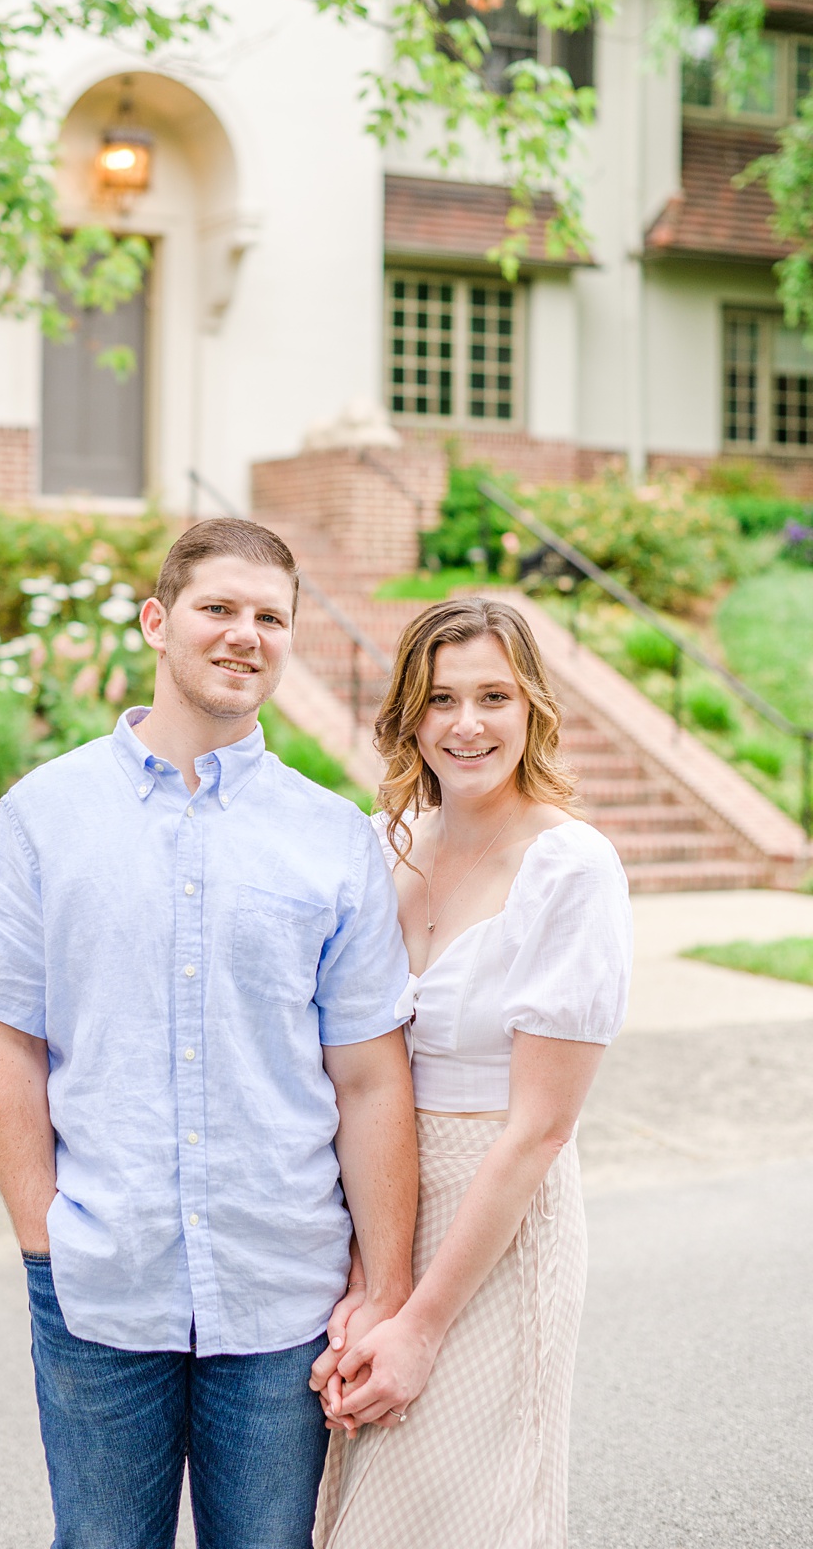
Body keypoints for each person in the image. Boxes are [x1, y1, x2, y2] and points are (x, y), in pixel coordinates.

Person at [0, 516, 419, 1549]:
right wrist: (43, 1238)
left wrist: (386, 1285)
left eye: (270, 617)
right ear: (159, 621)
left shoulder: (333, 839)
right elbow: (7, 1039)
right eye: (219, 608)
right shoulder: (44, 813)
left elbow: (372, 1080)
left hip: (281, 1290)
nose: (245, 634)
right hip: (99, 1281)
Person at [312, 597, 629, 1546]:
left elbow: (539, 1130)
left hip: (498, 1224)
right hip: (382, 1205)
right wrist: (374, 1276)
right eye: (441, 698)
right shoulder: (387, 843)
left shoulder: (571, 869)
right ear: (410, 713)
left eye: (494, 695)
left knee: (453, 1513)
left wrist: (418, 1319)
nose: (468, 724)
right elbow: (366, 1081)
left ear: (532, 706)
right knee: (358, 1505)